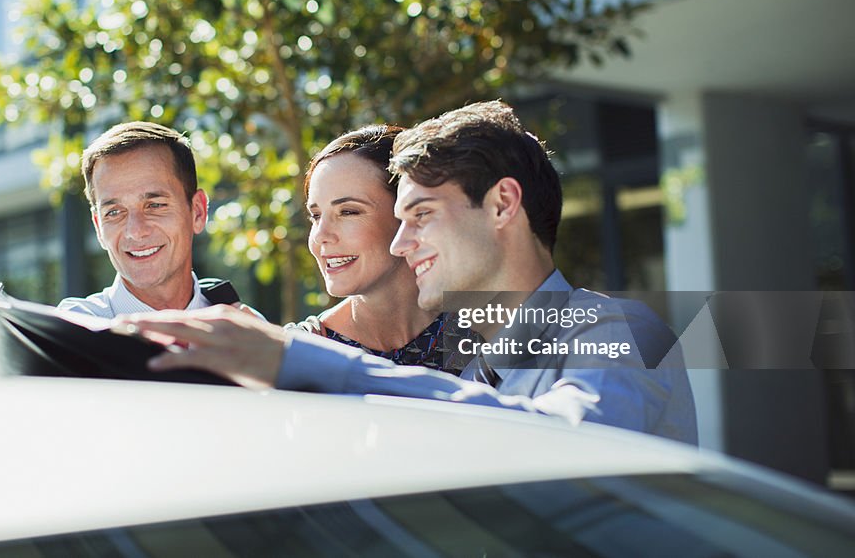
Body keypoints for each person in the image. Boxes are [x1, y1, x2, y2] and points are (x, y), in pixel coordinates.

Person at [112, 101, 698, 443]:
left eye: (420, 216)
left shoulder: (621, 331)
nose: (400, 240)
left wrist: (306, 364)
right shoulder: (477, 358)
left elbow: (559, 439)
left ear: (501, 205)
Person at [0, 121, 249, 377]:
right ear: (97, 226)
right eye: (113, 212)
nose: (135, 230)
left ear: (197, 212)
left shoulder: (249, 330)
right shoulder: (67, 332)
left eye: (154, 204)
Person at [296, 125, 450, 371]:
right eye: (315, 216)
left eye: (348, 212)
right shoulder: (301, 352)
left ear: (409, 212)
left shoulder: (490, 326)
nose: (321, 236)